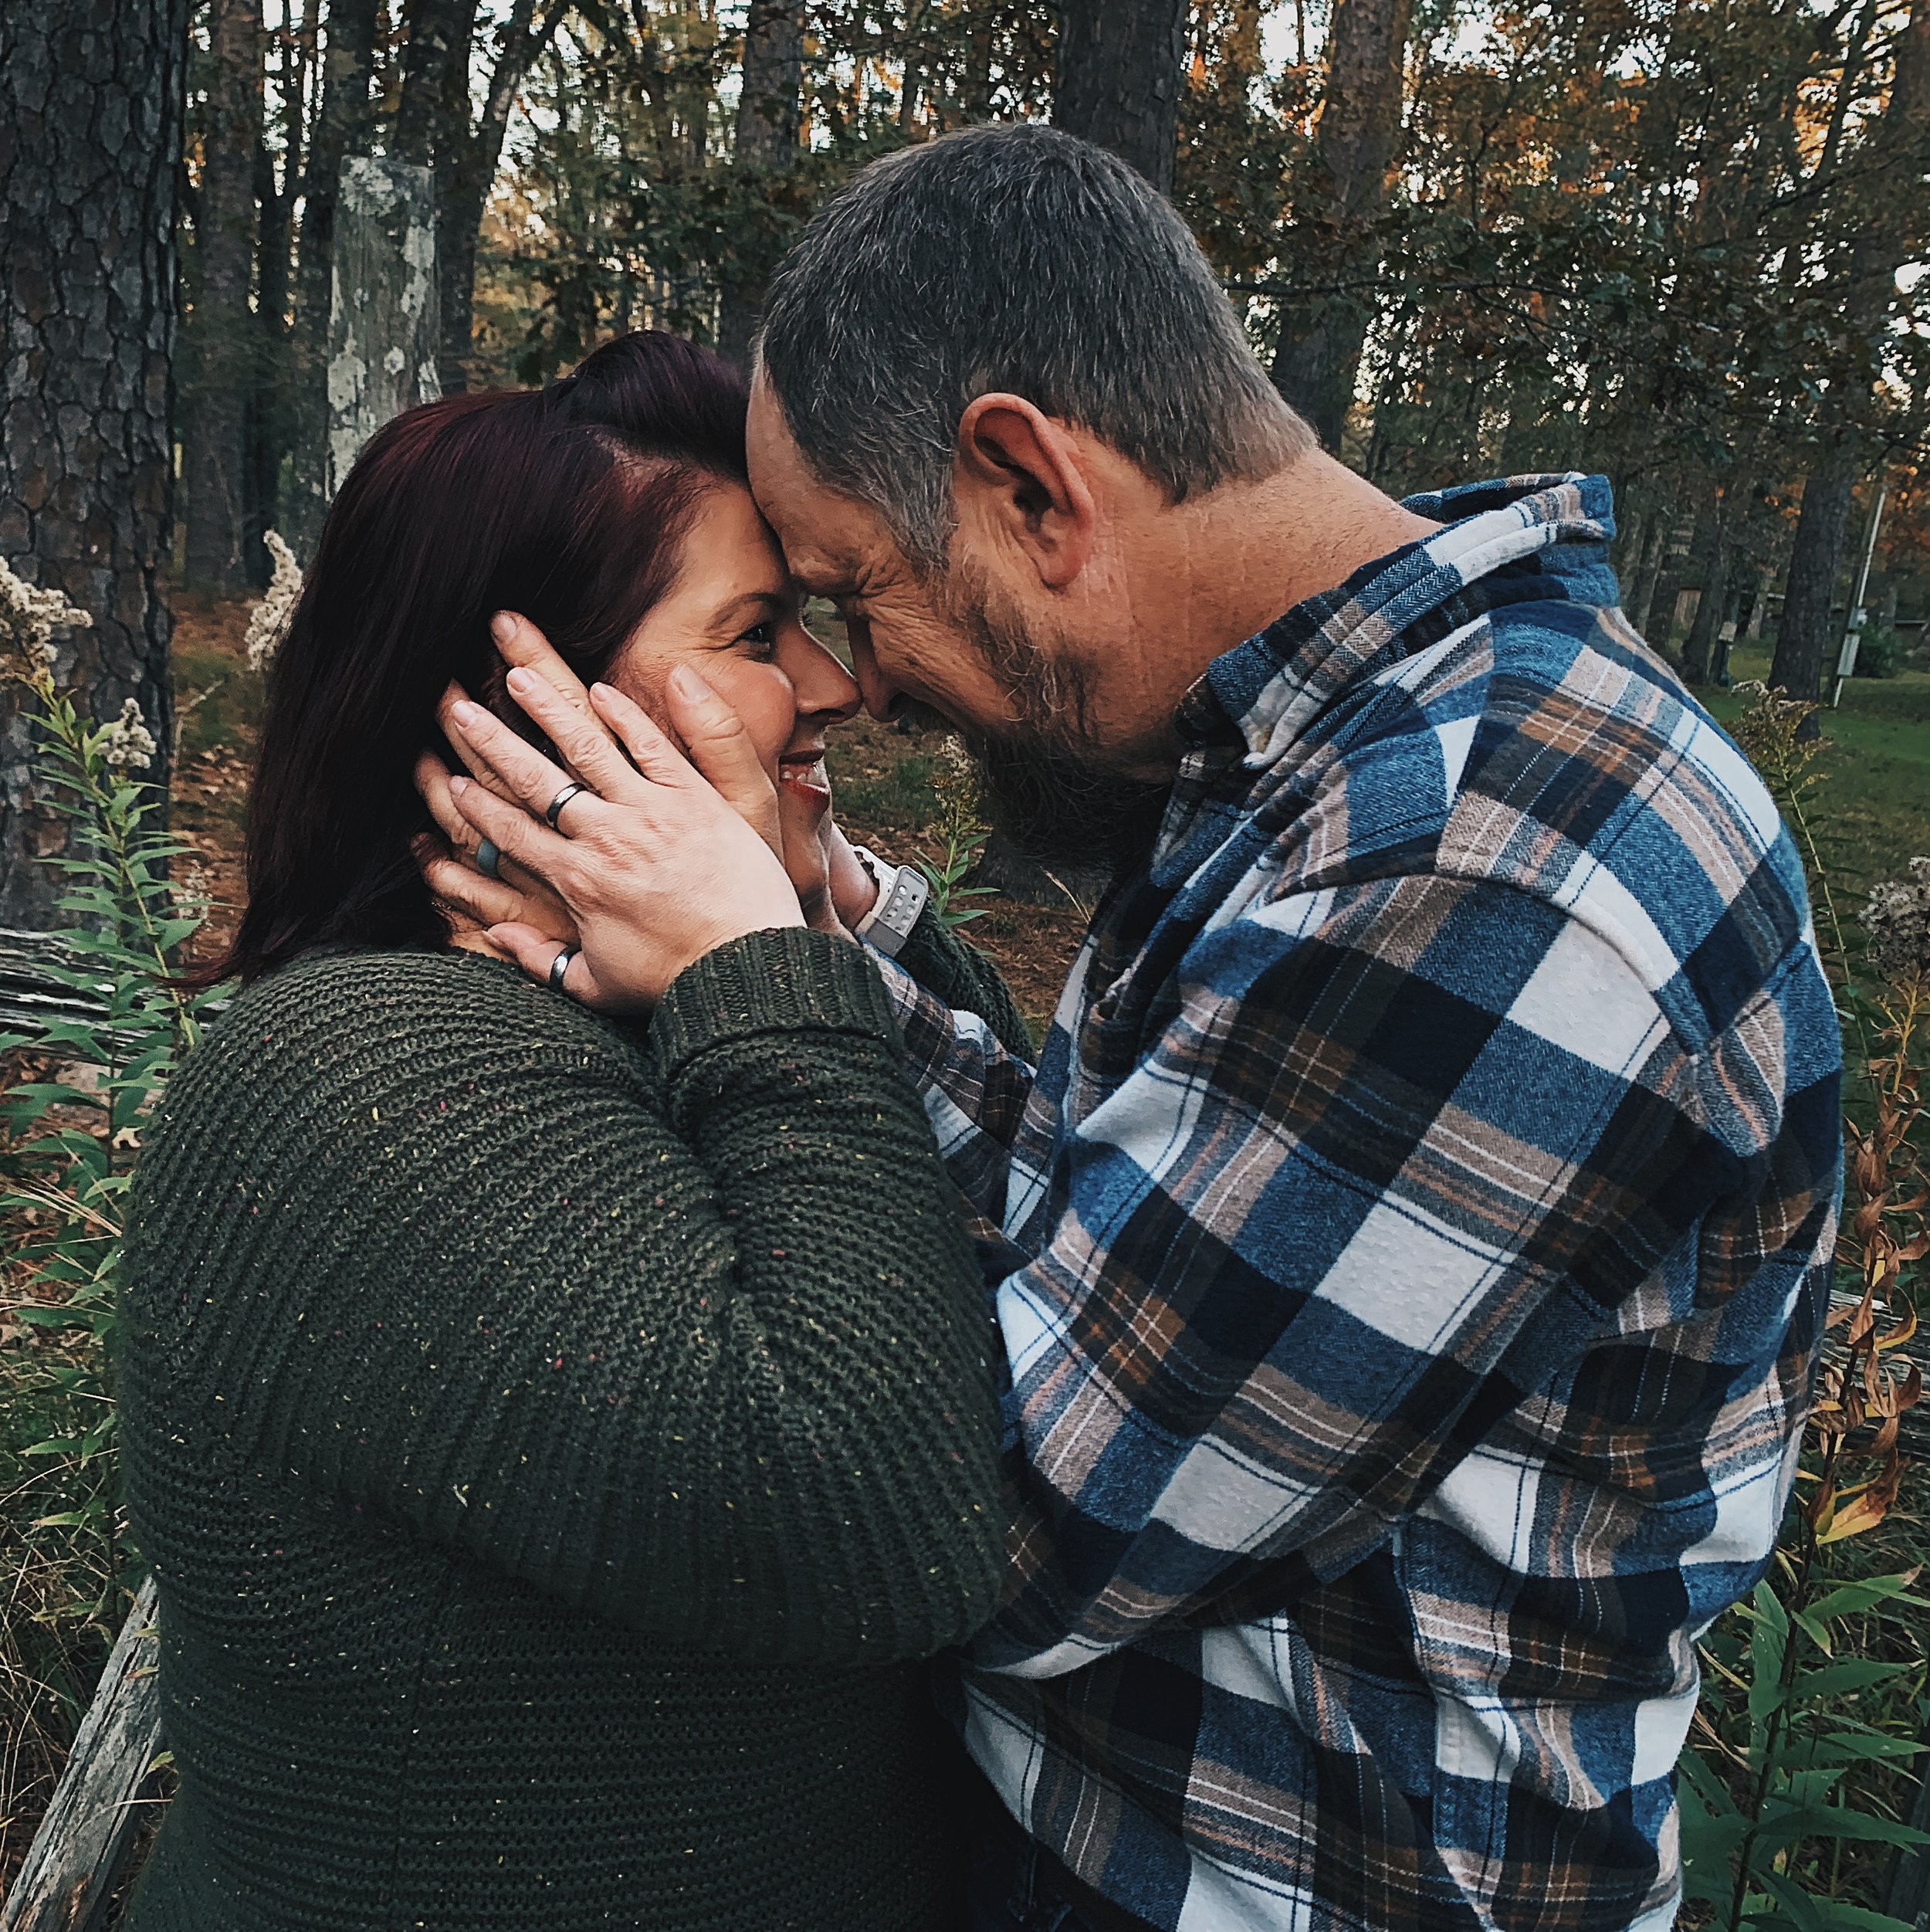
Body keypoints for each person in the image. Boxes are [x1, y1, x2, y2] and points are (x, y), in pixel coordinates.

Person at [437, 128, 1843, 1932]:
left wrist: (748, 981)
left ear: (1032, 487)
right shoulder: (1318, 757)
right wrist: (808, 927)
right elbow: (1104, 1248)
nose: (858, 684)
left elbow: (992, 1534)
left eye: (855, 594)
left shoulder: (1492, 860)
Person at [117, 330, 1031, 1932]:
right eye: (757, 633)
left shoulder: (635, 1004)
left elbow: (1003, 1176)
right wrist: (754, 957)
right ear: (523, 715)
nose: (836, 685)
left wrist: (808, 904)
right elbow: (889, 1520)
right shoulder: (362, 1080)